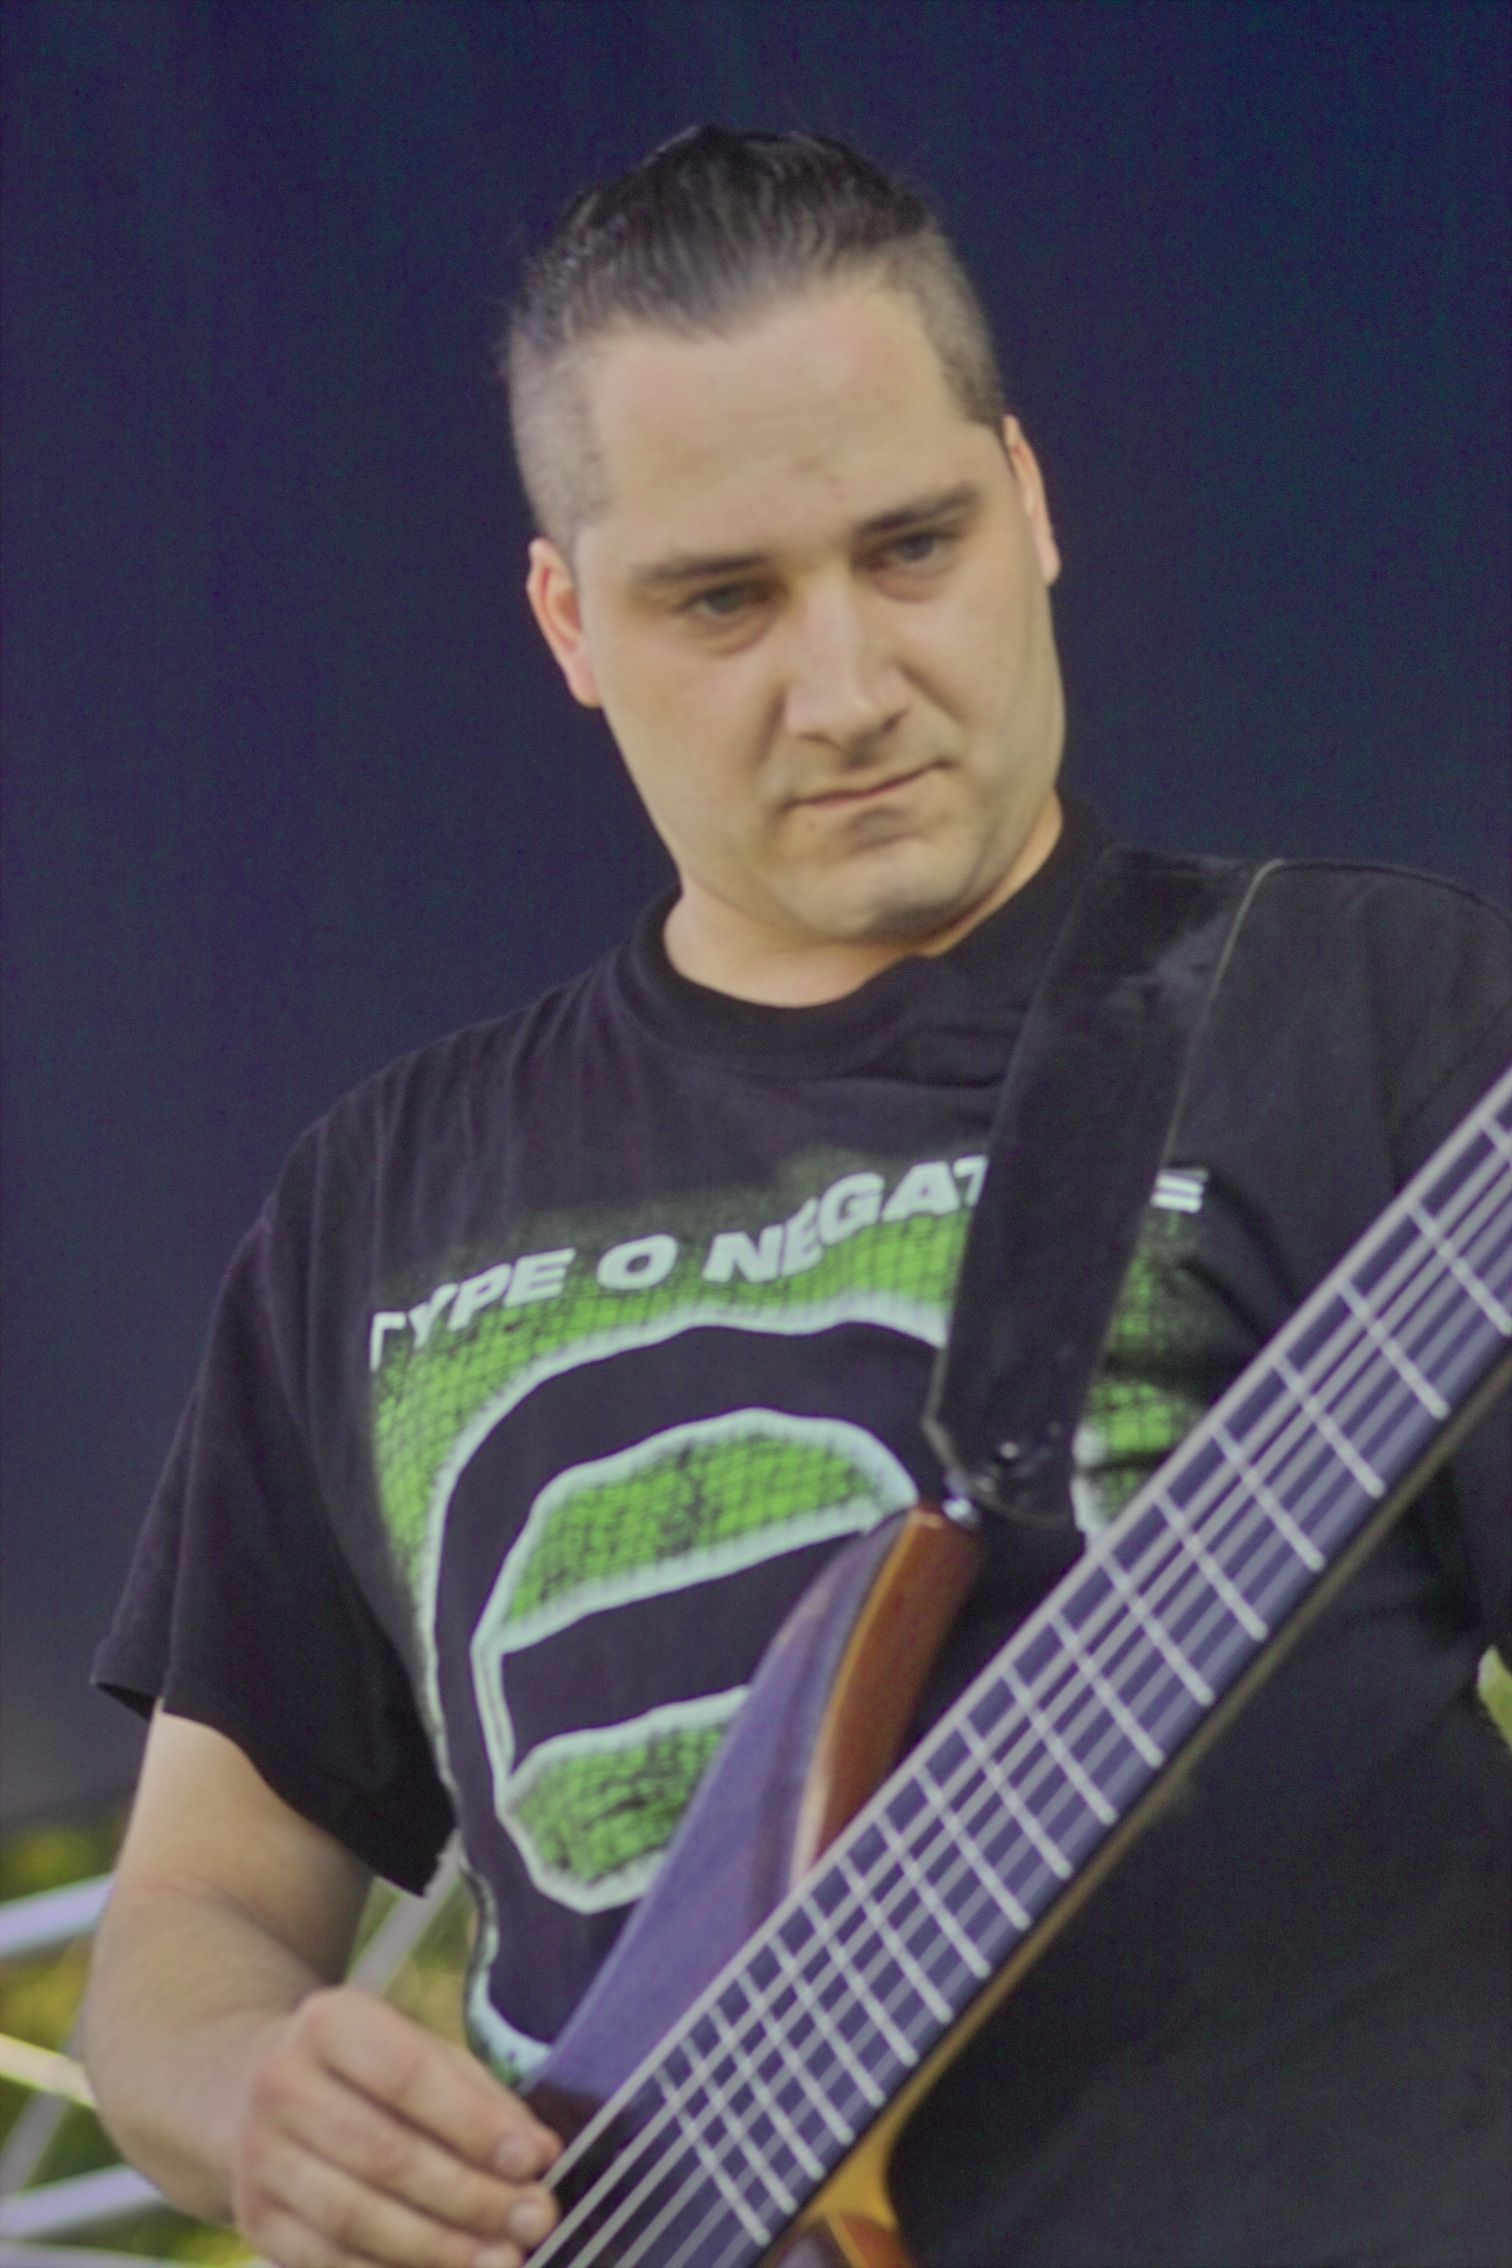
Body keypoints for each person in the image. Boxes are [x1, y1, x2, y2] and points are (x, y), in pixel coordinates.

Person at [84, 128, 1510, 2268]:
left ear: (1031, 502)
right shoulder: (372, 1199)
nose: (845, 690)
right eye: (722, 599)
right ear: (567, 621)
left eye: (913, 546)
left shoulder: (1382, 1013)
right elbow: (189, 1920)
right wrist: (252, 2096)